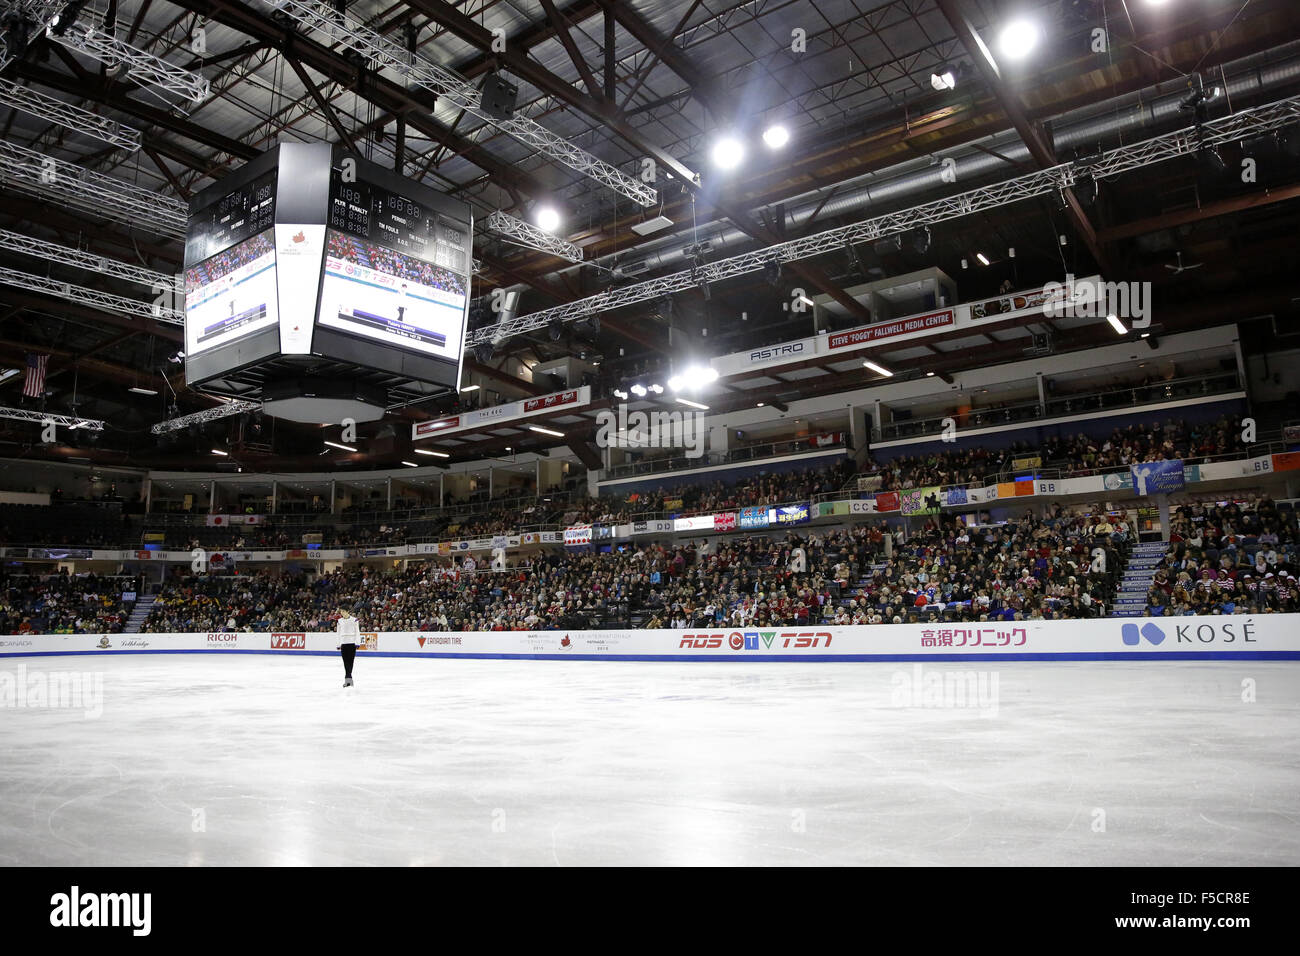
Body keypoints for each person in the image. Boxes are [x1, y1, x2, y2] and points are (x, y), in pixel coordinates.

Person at [336, 609, 361, 687]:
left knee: (350, 662)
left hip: (352, 643)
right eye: (341, 611)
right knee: (345, 662)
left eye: (343, 611)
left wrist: (357, 642)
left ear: (347, 611)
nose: (341, 613)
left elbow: (357, 631)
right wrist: (338, 644)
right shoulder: (339, 621)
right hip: (343, 643)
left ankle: (348, 679)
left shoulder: (354, 620)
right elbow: (338, 633)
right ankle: (349, 679)